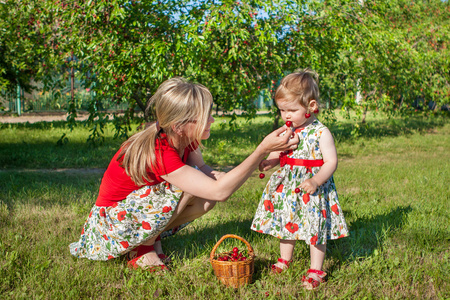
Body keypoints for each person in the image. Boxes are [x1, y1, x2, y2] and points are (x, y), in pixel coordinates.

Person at [69, 77, 299, 272]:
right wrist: (262, 149)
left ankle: (151, 240)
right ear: (179, 125)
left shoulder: (185, 139)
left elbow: (210, 176)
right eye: (205, 116)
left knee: (203, 193)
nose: (212, 120)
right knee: (187, 187)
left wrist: (265, 161)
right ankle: (142, 249)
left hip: (129, 216)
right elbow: (220, 191)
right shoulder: (160, 151)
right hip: (109, 227)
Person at [250, 69, 349, 290]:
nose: (286, 115)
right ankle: (285, 259)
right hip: (288, 187)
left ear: (311, 106)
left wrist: (316, 181)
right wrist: (270, 161)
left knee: (315, 227)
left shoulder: (321, 132)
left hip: (313, 187)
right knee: (287, 222)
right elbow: (280, 151)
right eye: (282, 110)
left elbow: (331, 162)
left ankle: (316, 268)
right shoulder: (288, 130)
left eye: (292, 110)